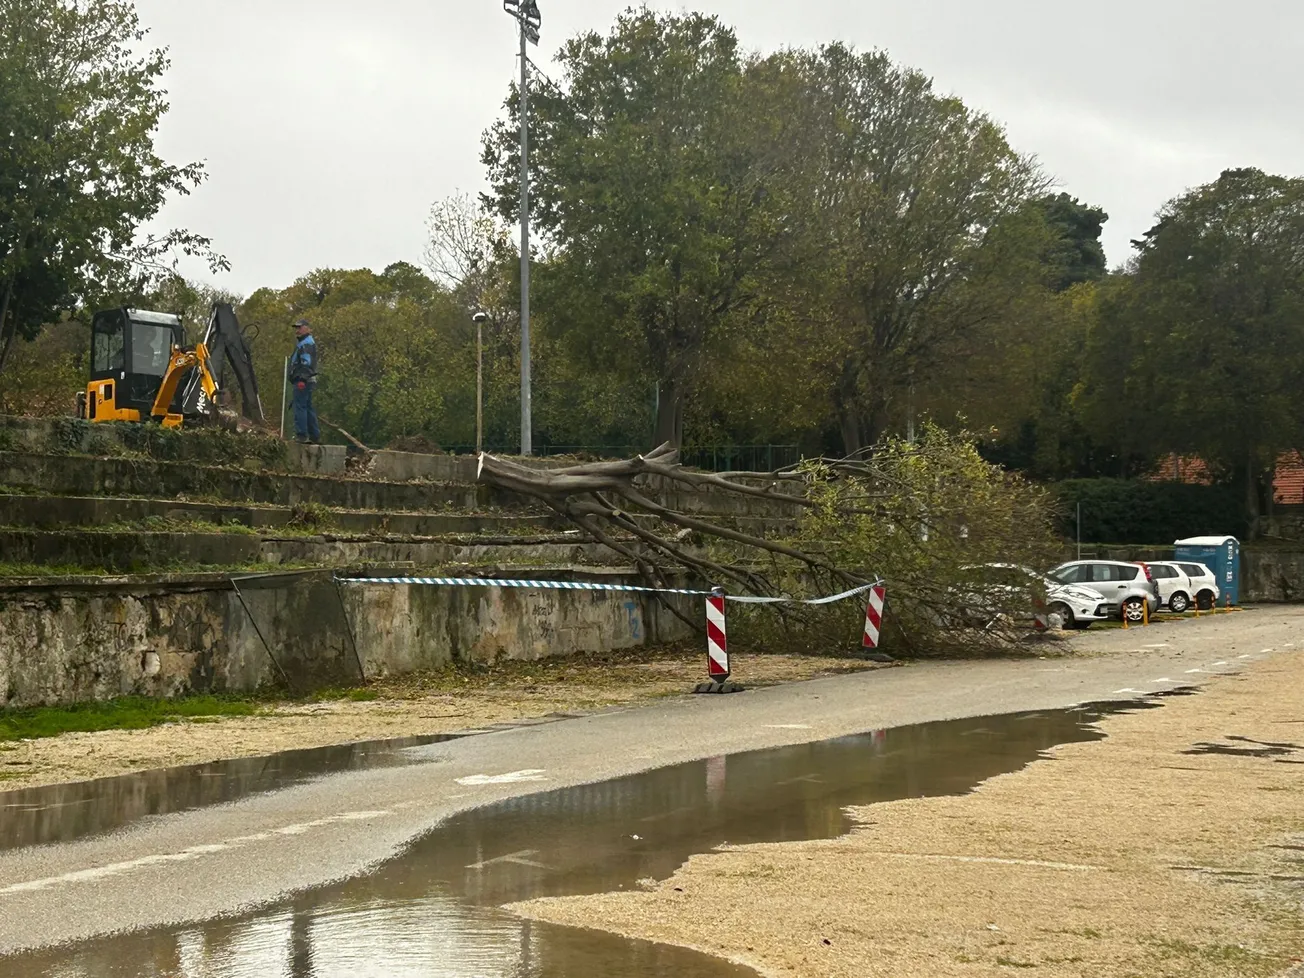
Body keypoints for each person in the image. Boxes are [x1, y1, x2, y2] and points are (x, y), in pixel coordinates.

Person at [289, 318, 320, 444]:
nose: (297, 330)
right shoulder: (306, 342)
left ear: (307, 328)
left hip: (303, 381)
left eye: (300, 327)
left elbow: (306, 363)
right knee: (308, 407)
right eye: (296, 328)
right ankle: (314, 435)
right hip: (308, 380)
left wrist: (302, 379)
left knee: (300, 407)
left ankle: (302, 435)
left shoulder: (305, 344)